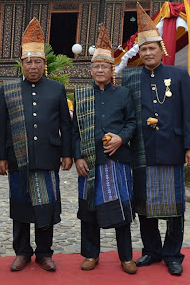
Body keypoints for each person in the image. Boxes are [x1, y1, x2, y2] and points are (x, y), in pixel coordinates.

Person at [120, 4, 190, 277]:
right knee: (144, 205)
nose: (148, 53)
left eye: (152, 48)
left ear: (161, 49)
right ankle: (151, 250)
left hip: (173, 148)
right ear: (138, 54)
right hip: (141, 150)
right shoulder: (130, 78)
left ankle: (172, 254)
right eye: (143, 49)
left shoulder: (178, 75)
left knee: (174, 206)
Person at [0, 18, 72, 272]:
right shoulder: (9, 89)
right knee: (21, 205)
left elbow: (65, 124)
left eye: (37, 61)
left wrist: (67, 154)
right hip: (18, 157)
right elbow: (1, 126)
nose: (33, 66)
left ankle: (44, 253)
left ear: (44, 64)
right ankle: (22, 252)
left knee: (45, 206)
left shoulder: (57, 89)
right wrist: (0, 157)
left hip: (48, 156)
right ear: (22, 64)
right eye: (28, 62)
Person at [72, 24, 137, 274]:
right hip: (89, 160)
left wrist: (121, 137)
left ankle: (126, 256)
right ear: (91, 70)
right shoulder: (81, 96)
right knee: (89, 211)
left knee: (122, 209)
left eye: (105, 66)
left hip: (117, 160)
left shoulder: (123, 94)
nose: (100, 70)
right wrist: (78, 156)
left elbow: (132, 122)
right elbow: (74, 130)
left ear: (113, 70)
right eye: (96, 66)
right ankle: (91, 254)